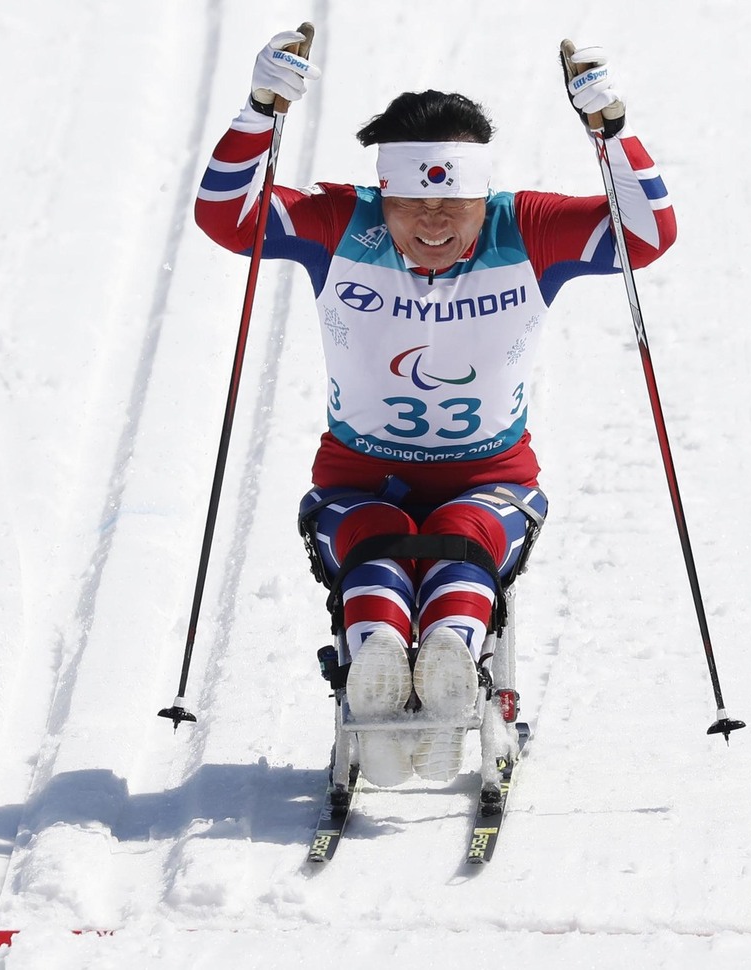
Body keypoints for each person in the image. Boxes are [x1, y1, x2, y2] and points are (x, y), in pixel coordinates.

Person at [195, 29, 676, 787]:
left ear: (483, 196)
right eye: (413, 204)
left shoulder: (528, 229)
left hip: (491, 475)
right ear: (384, 194)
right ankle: (380, 674)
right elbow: (226, 218)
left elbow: (648, 236)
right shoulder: (341, 225)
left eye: (454, 203)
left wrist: (611, 128)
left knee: (460, 530)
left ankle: (452, 659)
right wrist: (260, 112)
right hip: (359, 476)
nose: (433, 224)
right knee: (374, 535)